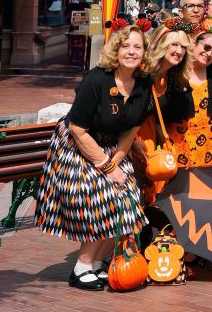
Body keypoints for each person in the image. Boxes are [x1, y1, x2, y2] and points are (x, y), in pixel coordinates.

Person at [36, 26, 152, 290]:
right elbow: (77, 128)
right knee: (105, 198)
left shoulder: (144, 82)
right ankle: (80, 267)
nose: (131, 52)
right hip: (76, 148)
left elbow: (132, 128)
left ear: (144, 52)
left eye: (137, 47)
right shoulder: (96, 80)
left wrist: (119, 159)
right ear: (116, 49)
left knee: (130, 204)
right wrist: (107, 166)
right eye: (126, 46)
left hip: (112, 147)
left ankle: (96, 264)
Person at [135, 24, 194, 203]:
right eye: (174, 45)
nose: (179, 51)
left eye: (183, 47)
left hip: (151, 143)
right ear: (161, 44)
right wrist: (132, 144)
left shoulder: (170, 76)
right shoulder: (143, 72)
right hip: (132, 143)